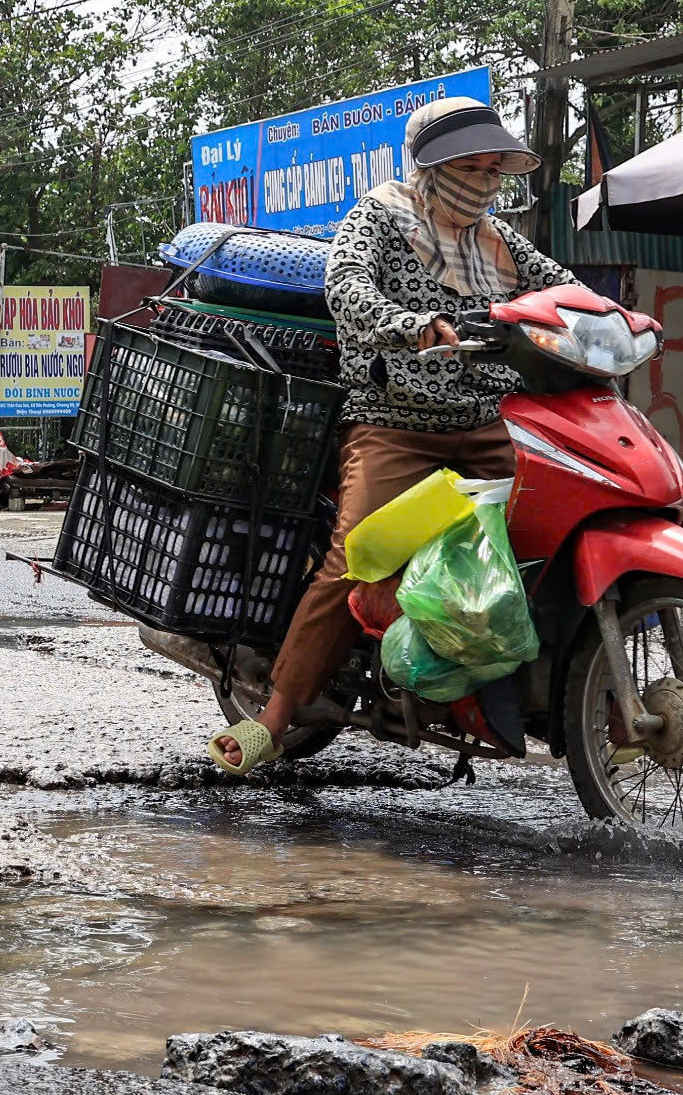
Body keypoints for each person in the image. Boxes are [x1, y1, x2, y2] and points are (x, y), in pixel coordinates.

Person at [209, 95, 577, 774]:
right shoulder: (379, 214)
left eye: (495, 168)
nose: (487, 180)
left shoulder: (497, 239)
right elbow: (344, 286)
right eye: (473, 165)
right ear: (434, 166)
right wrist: (410, 324)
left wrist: (612, 321)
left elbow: (563, 289)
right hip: (395, 426)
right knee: (355, 554)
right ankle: (274, 716)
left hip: (488, 422)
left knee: (551, 543)